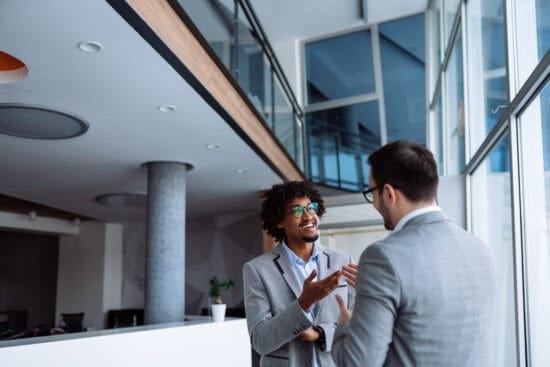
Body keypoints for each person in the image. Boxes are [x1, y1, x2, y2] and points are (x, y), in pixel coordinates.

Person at [332, 140, 497, 367]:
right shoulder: (479, 248)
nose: (374, 203)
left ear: (389, 193)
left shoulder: (383, 257)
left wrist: (346, 324)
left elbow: (357, 363)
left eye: (372, 192)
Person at [243, 181, 357, 367]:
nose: (308, 216)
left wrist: (319, 334)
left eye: (311, 208)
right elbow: (261, 341)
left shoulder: (343, 261)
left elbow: (357, 324)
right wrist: (303, 303)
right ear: (279, 221)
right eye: (296, 211)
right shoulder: (257, 269)